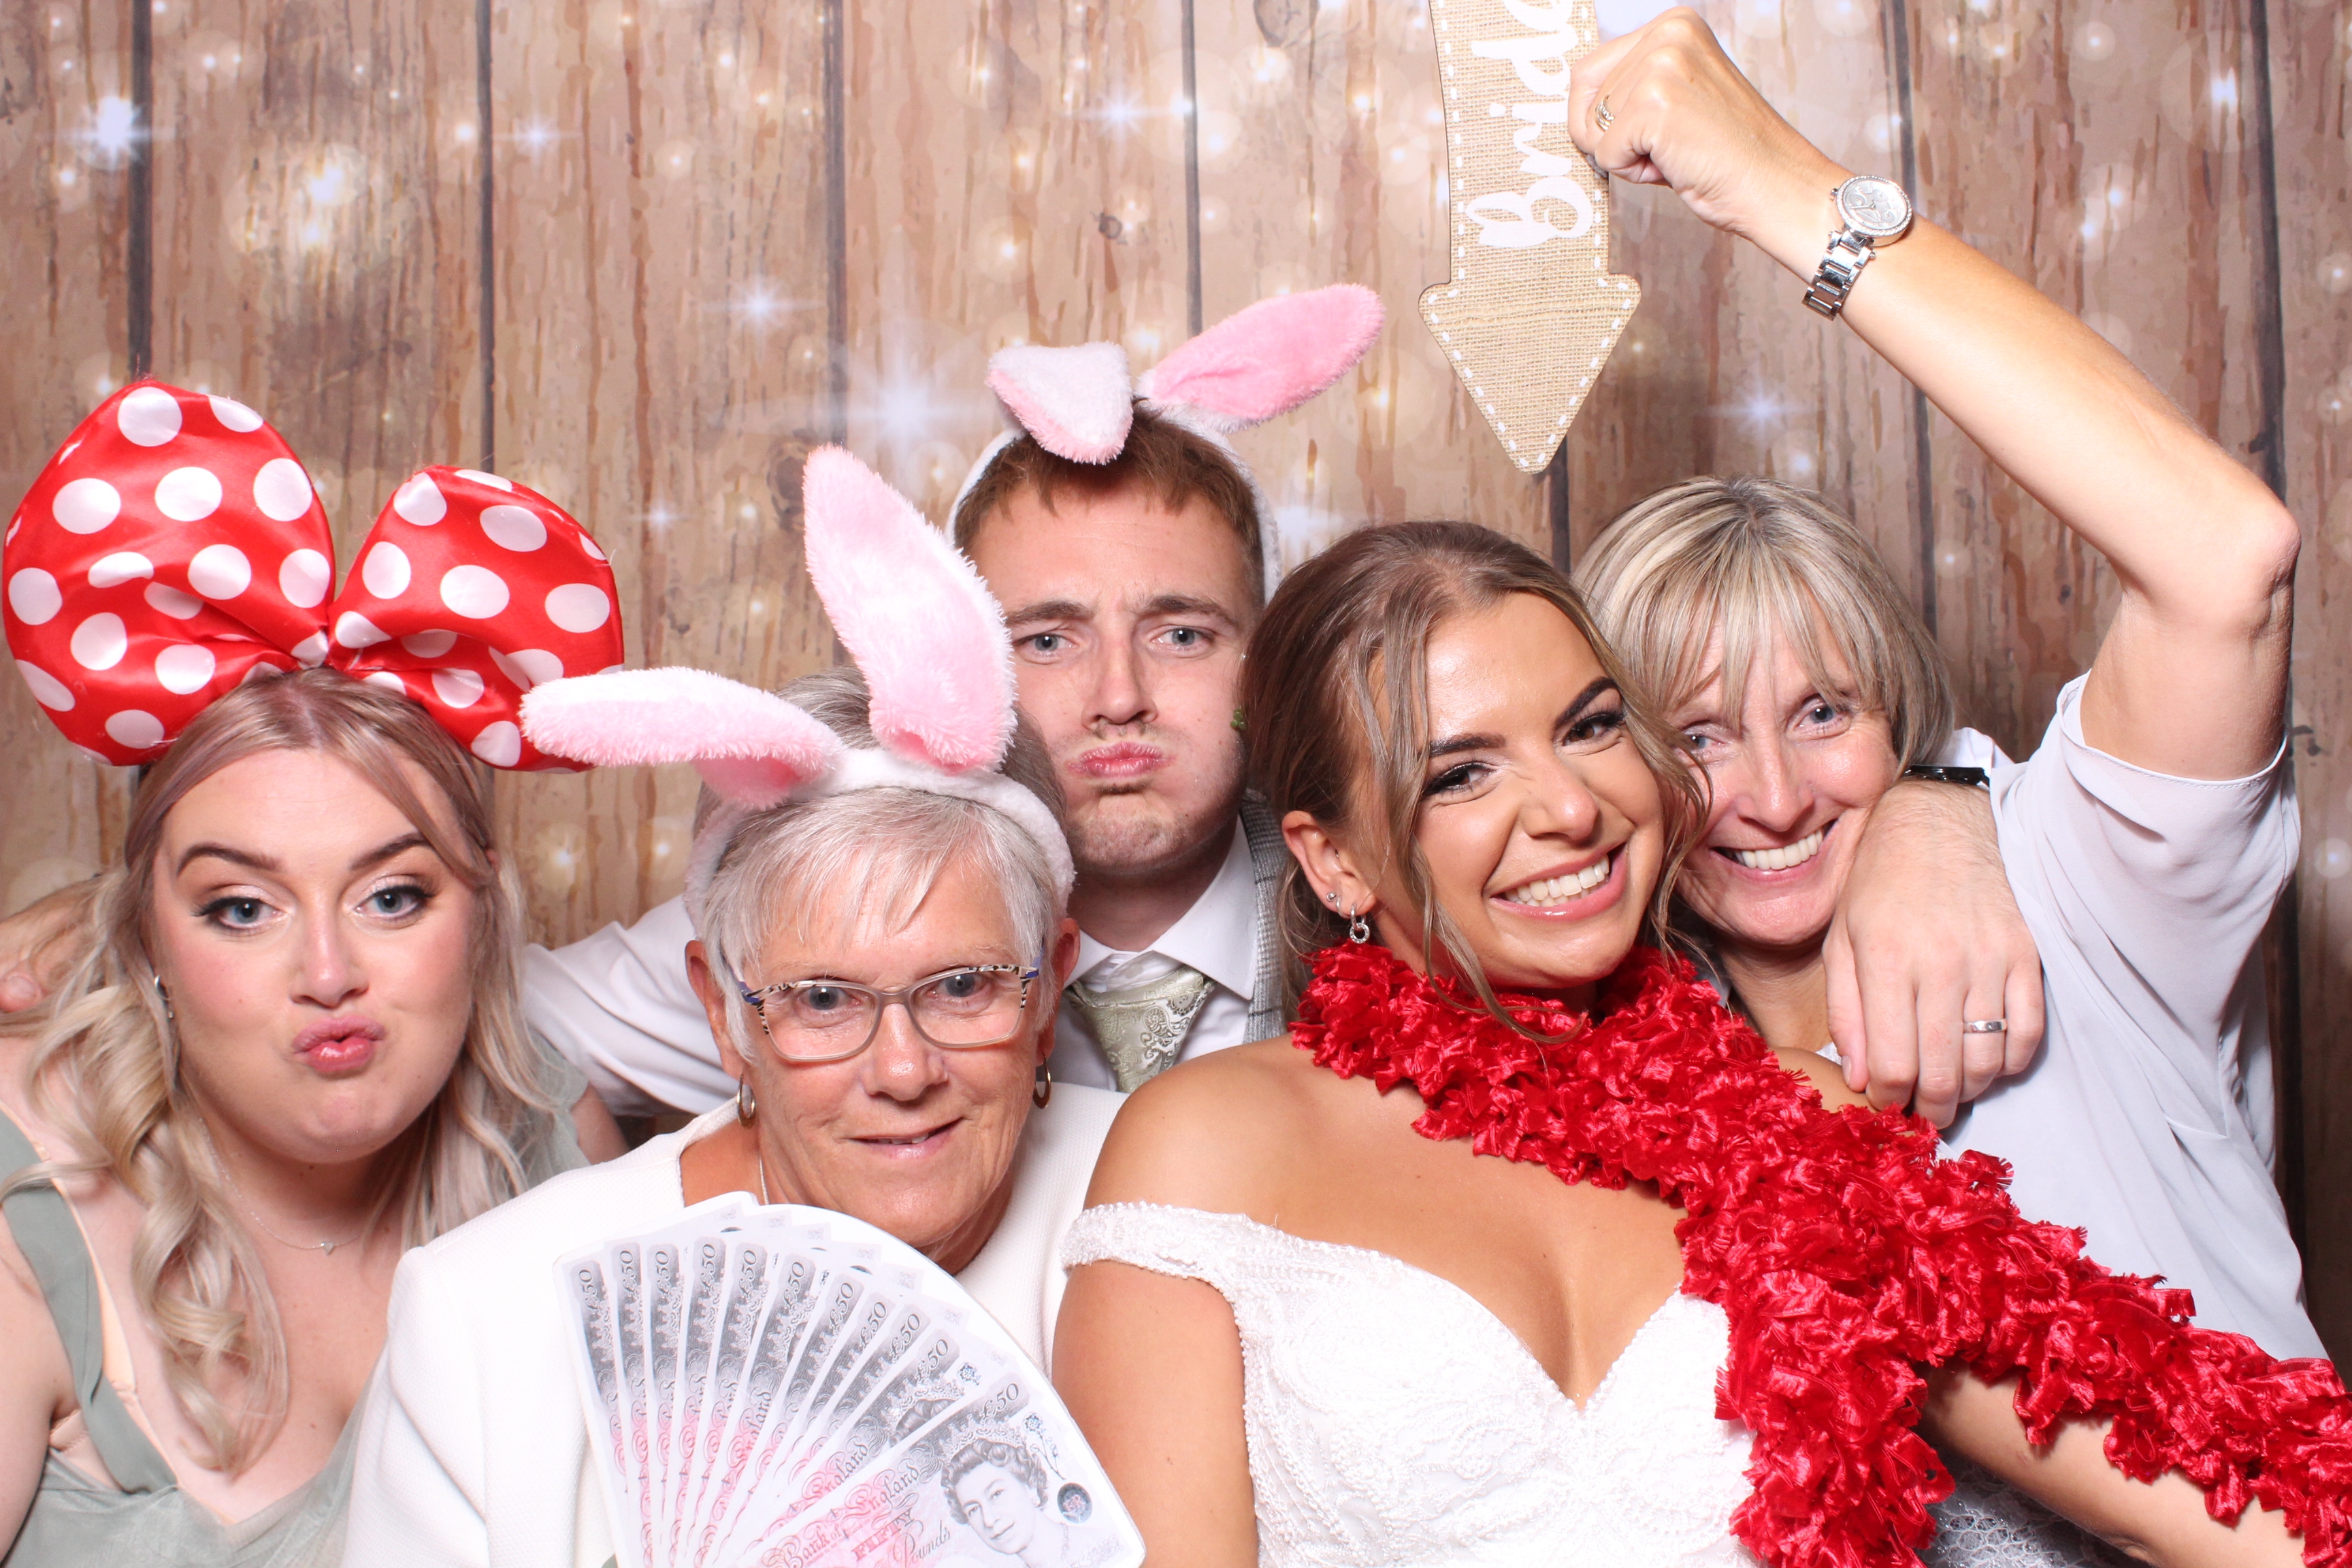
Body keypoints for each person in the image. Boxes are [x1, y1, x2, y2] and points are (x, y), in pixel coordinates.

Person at [1057, 517, 2338, 1568]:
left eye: (1590, 726)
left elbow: (2199, 1494)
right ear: (1332, 858)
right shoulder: (1210, 1141)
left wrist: (1937, 794)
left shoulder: (1804, 1125)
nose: (1570, 807)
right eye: (1461, 773)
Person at [340, 449, 1120, 1567]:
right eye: (822, 998)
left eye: (962, 985)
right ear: (723, 1011)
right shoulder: (482, 1318)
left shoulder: (1173, 1216)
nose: (903, 1069)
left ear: (1050, 980)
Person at [0, 382, 630, 1563]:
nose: (329, 972)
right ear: (145, 936)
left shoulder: (552, 1137)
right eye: (242, 909)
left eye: (393, 896)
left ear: (481, 909)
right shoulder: (27, 1212)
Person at [513, 288, 1386, 1111]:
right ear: (964, 659)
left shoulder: (1380, 908)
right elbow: (506, 1018)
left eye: (1182, 635)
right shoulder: (836, 909)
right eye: (1048, 641)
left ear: (1264, 659)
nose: (1119, 698)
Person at [1575, 474, 2317, 1359]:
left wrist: (1950, 789)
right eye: (1697, 738)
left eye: (1823, 712)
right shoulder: (1619, 1071)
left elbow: (2226, 561)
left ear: (1896, 713)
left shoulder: (2074, 884)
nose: (1776, 800)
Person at [942, 1437, 1117, 1568]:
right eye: (973, 1510)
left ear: (1029, 1485)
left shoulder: (1103, 1546)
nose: (988, 1520)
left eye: (996, 1494)